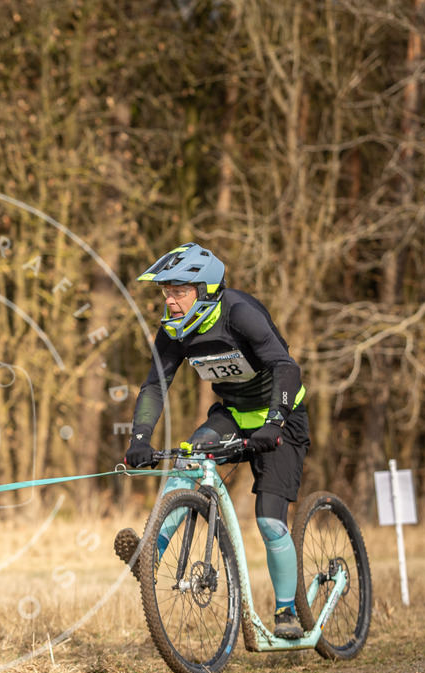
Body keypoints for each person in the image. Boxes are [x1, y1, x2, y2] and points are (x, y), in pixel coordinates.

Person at [114, 242, 311, 640]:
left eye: (178, 291)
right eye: (165, 292)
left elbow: (286, 368)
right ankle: (149, 556)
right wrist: (140, 438)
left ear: (204, 289)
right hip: (233, 415)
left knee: (271, 521)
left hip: (281, 420)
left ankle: (287, 611)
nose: (169, 300)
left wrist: (274, 422)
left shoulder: (240, 314)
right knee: (189, 460)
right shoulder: (175, 330)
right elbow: (155, 385)